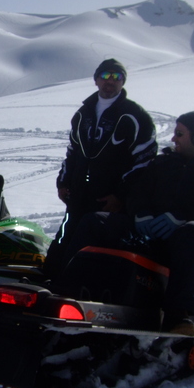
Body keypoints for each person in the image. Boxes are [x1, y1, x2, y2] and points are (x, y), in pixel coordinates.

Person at [64, 110, 194, 335]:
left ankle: (177, 315)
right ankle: (65, 289)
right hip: (146, 232)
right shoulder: (162, 163)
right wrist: (141, 214)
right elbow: (138, 192)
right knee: (94, 221)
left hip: (185, 242)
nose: (173, 139)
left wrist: (181, 218)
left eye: (180, 133)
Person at [45, 58, 157, 278]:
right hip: (79, 193)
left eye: (117, 77)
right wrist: (64, 182)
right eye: (106, 76)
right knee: (65, 239)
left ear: (123, 82)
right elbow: (73, 151)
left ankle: (78, 289)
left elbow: (145, 161)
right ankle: (50, 280)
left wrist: (121, 196)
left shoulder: (135, 116)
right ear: (96, 80)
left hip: (109, 198)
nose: (110, 81)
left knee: (96, 246)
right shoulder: (82, 114)